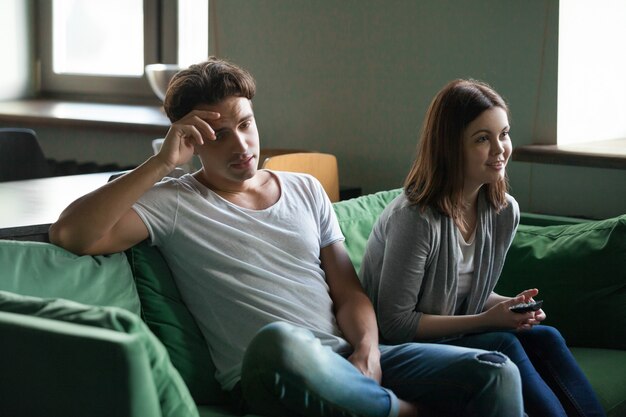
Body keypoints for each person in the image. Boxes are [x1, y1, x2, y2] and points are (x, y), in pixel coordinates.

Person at [49, 59, 524, 417]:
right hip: (271, 370)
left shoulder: (304, 188)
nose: (240, 144)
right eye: (217, 134)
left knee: (495, 372)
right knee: (278, 341)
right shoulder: (173, 202)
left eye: (245, 124)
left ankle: (373, 400)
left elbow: (349, 291)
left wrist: (367, 351)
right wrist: (160, 164)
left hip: (345, 360)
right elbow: (71, 233)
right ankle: (397, 411)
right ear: (190, 141)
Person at [359, 79, 606, 417]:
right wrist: (487, 321)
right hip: (399, 351)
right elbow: (395, 324)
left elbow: (462, 294)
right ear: (450, 147)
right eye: (482, 139)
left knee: (546, 337)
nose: (500, 148)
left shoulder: (504, 211)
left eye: (503, 134)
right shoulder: (415, 218)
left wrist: (511, 307)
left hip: (450, 338)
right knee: (502, 343)